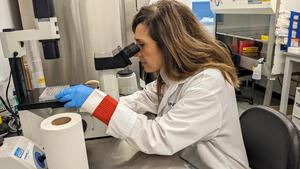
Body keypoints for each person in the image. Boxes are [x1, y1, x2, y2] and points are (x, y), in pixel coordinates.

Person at [55, 0, 250, 168]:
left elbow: (158, 137)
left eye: (142, 45)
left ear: (168, 43)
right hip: (186, 160)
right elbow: (143, 98)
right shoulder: (175, 74)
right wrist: (93, 107)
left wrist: (98, 103)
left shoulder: (209, 84)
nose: (136, 54)